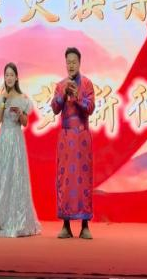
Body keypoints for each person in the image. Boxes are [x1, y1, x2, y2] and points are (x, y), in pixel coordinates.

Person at [0, 63, 41, 237]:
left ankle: (17, 219)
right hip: (3, 140)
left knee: (16, 178)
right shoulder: (0, 98)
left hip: (16, 139)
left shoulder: (23, 98)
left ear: (16, 78)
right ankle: (0, 220)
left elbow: (25, 123)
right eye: (6, 75)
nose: (8, 78)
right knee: (2, 177)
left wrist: (20, 113)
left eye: (11, 75)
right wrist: (3, 102)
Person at [50, 47, 96, 239]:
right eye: (68, 62)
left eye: (74, 62)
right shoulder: (60, 85)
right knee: (65, 179)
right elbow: (54, 108)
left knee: (84, 179)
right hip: (66, 138)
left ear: (79, 63)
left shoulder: (87, 84)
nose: (71, 65)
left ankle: (85, 225)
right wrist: (62, 94)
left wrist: (77, 96)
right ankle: (66, 225)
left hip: (82, 138)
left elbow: (90, 108)